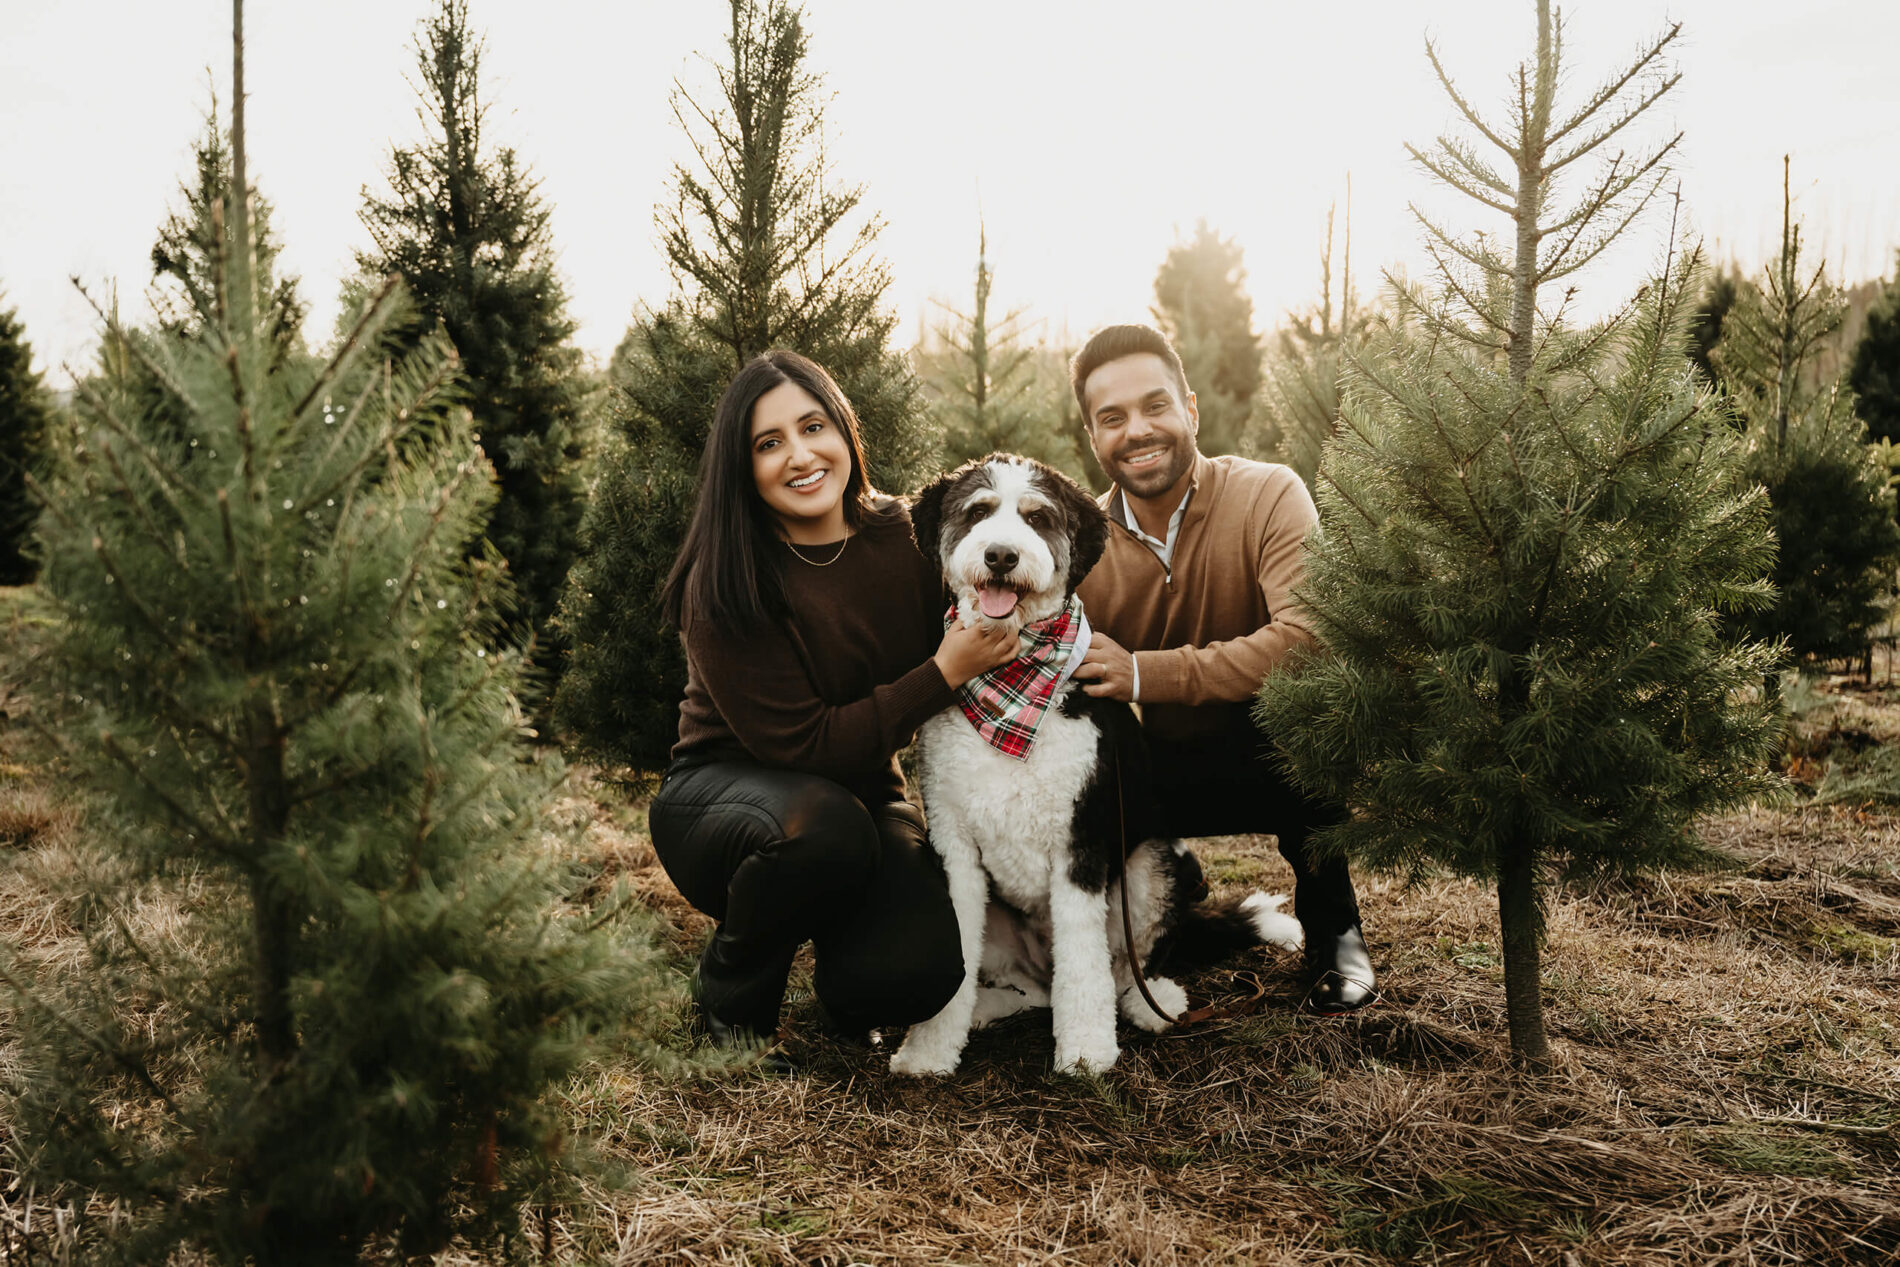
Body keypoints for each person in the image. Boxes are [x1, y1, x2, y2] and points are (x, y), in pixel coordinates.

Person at [649, 350, 1019, 1066]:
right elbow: (804, 745)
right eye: (768, 443)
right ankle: (729, 1012)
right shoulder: (727, 575)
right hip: (724, 803)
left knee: (919, 973)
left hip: (861, 797)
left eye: (812, 425)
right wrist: (943, 670)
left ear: (844, 429)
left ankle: (848, 987)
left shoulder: (905, 536)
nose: (800, 455)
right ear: (743, 466)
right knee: (825, 829)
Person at [1069, 324, 1376, 1013]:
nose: (1137, 430)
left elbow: (1308, 637)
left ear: (1191, 410)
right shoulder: (1082, 546)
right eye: (1111, 418)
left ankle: (1337, 931)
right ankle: (1146, 909)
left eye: (1155, 406)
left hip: (1264, 751)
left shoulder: (1268, 494)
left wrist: (1146, 673)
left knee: (1315, 725)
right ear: (1092, 437)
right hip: (1146, 772)